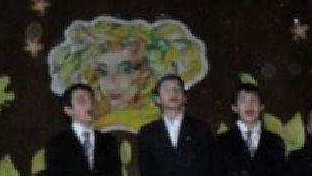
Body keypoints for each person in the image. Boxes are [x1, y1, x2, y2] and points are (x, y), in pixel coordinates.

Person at [47, 16, 208, 133]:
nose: (112, 82)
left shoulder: (156, 124)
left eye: (126, 70)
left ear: (147, 72)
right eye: (102, 72)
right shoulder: (92, 123)